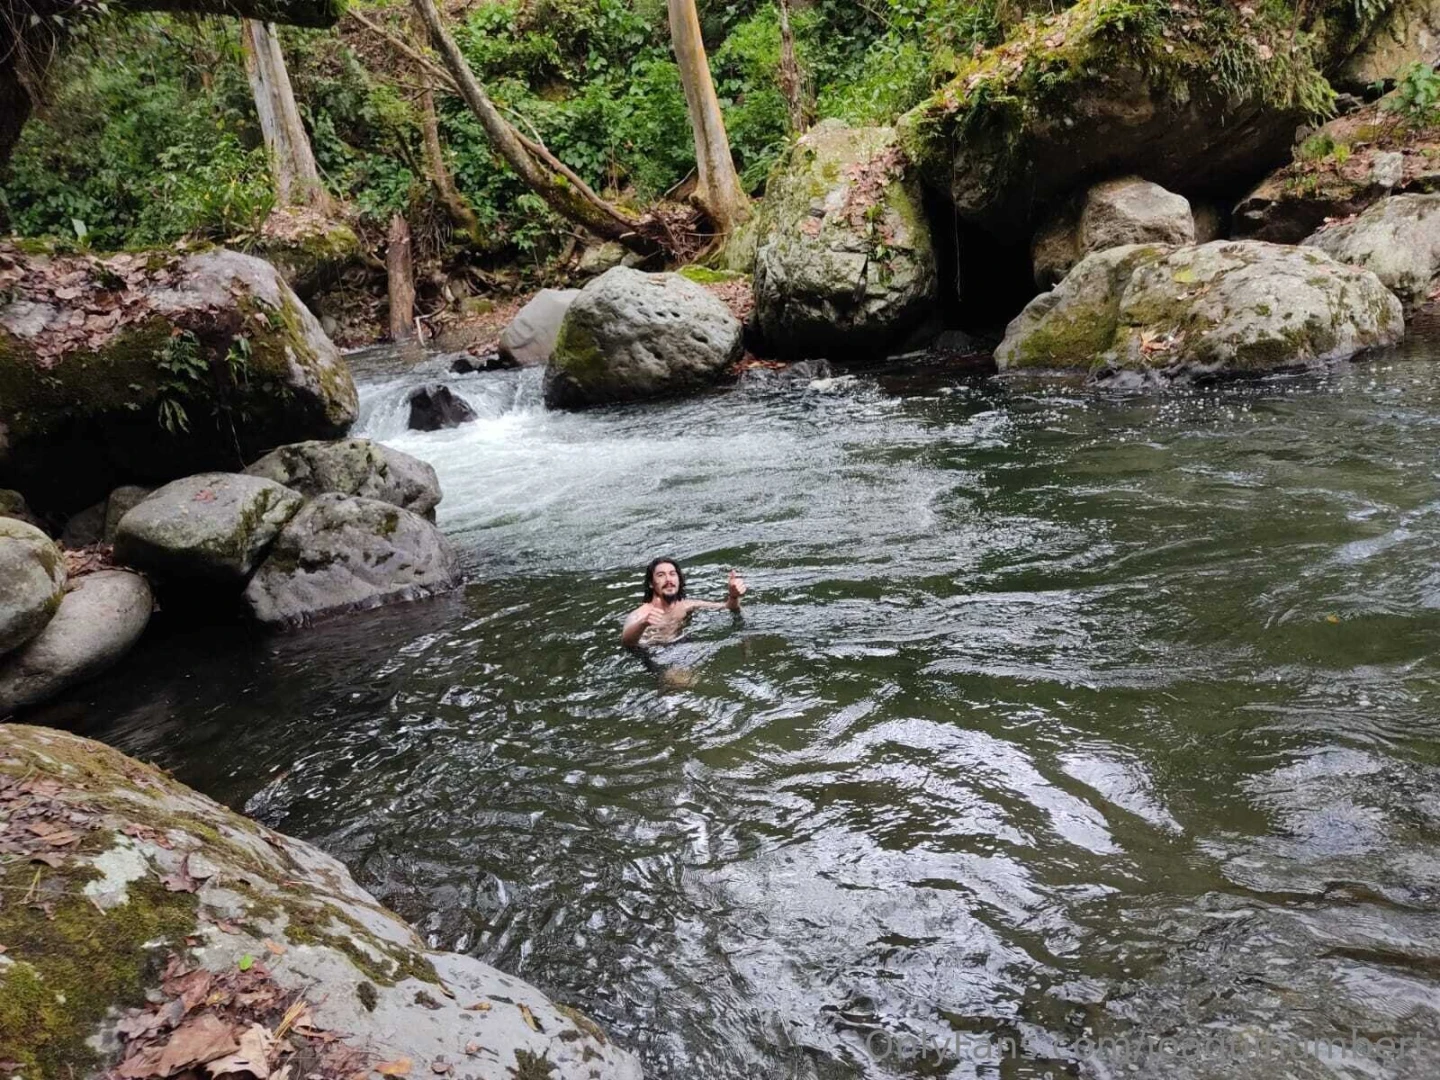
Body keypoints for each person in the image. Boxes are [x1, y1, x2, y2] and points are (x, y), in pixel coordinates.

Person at [621, 557, 746, 647]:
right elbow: (627, 642)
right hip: (654, 651)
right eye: (661, 575)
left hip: (683, 643)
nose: (669, 579)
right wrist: (643, 624)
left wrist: (733, 596)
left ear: (679, 580)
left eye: (672, 574)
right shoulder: (642, 615)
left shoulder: (686, 605)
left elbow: (728, 607)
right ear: (651, 584)